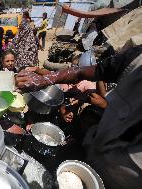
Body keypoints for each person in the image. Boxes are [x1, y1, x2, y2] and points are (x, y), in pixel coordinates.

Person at [16, 45, 142, 189]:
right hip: (93, 150)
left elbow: (99, 95)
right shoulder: (136, 59)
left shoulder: (92, 91)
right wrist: (45, 77)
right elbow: (82, 73)